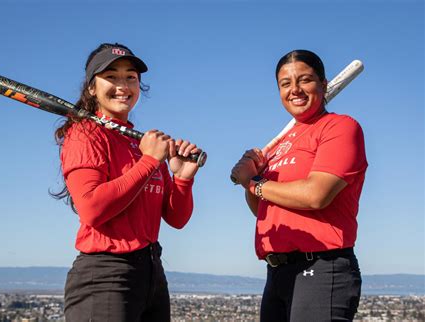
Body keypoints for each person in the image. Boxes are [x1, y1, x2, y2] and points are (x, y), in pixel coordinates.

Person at [53, 42, 201, 321]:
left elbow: (176, 218)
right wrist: (148, 162)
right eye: (111, 76)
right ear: (91, 88)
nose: (122, 84)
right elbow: (92, 209)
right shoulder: (85, 134)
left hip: (151, 273)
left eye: (130, 77)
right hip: (106, 277)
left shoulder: (142, 143)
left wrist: (182, 178)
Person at [231, 49, 368, 322]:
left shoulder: (340, 127)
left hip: (321, 267)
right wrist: (251, 179)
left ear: (324, 84)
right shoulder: (281, 145)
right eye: (285, 83)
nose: (295, 90)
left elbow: (315, 195)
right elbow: (262, 209)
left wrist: (254, 181)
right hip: (277, 273)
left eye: (305, 80)